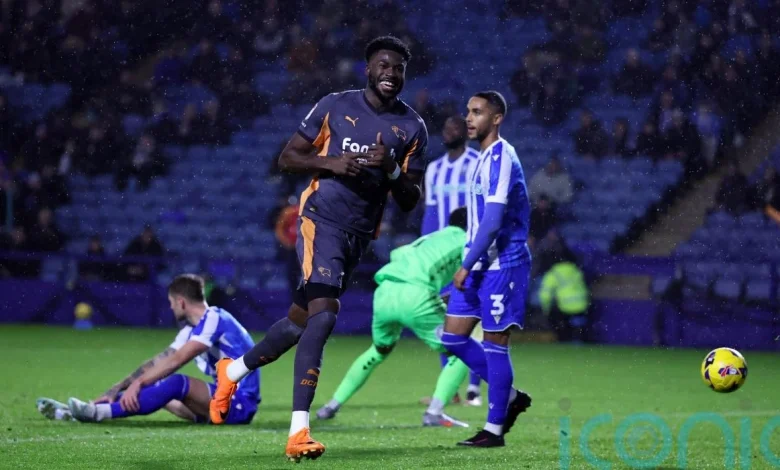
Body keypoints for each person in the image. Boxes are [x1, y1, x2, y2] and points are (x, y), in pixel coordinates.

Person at [208, 36, 428, 463]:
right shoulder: (334, 105)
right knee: (324, 316)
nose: (390, 73)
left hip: (359, 234)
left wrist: (392, 168)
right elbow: (288, 158)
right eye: (383, 65)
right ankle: (299, 431)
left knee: (298, 322)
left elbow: (410, 198)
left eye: (398, 68)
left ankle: (231, 370)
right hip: (319, 221)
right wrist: (329, 163)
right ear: (368, 69)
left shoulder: (413, 127)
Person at [316, 208, 471, 427]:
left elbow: (398, 255)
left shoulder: (429, 238)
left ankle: (330, 406)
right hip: (415, 294)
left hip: (385, 292)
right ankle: (435, 412)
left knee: (378, 351)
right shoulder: (467, 241)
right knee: (462, 351)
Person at [36, 275, 260, 425]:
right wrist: (115, 389)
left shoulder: (214, 318)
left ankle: (97, 414)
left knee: (176, 383)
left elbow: (178, 360)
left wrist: (139, 383)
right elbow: (157, 362)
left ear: (181, 302)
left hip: (240, 402)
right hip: (219, 401)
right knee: (159, 390)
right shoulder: (195, 328)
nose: (171, 307)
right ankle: (88, 409)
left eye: (172, 302)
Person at [441, 91, 533, 448]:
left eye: (477, 112)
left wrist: (464, 267)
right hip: (479, 265)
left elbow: (493, 222)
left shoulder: (503, 158)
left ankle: (494, 429)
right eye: (468, 111)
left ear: (496, 119)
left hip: (503, 265)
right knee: (452, 337)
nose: (469, 118)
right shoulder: (479, 157)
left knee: (495, 344)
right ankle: (509, 395)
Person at [421, 114, 483, 406]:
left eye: (454, 127)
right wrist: (425, 250)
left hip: (470, 254)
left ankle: (474, 387)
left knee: (469, 319)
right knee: (443, 323)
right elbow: (431, 215)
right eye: (445, 127)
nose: (448, 131)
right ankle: (453, 389)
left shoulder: (477, 163)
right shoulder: (434, 170)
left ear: (466, 133)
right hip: (443, 257)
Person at [539, 259, 590, 343]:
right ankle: (578, 340)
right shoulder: (575, 270)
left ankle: (564, 341)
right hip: (582, 304)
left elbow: (545, 294)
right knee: (579, 326)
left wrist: (546, 308)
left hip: (565, 306)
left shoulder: (553, 273)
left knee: (561, 326)